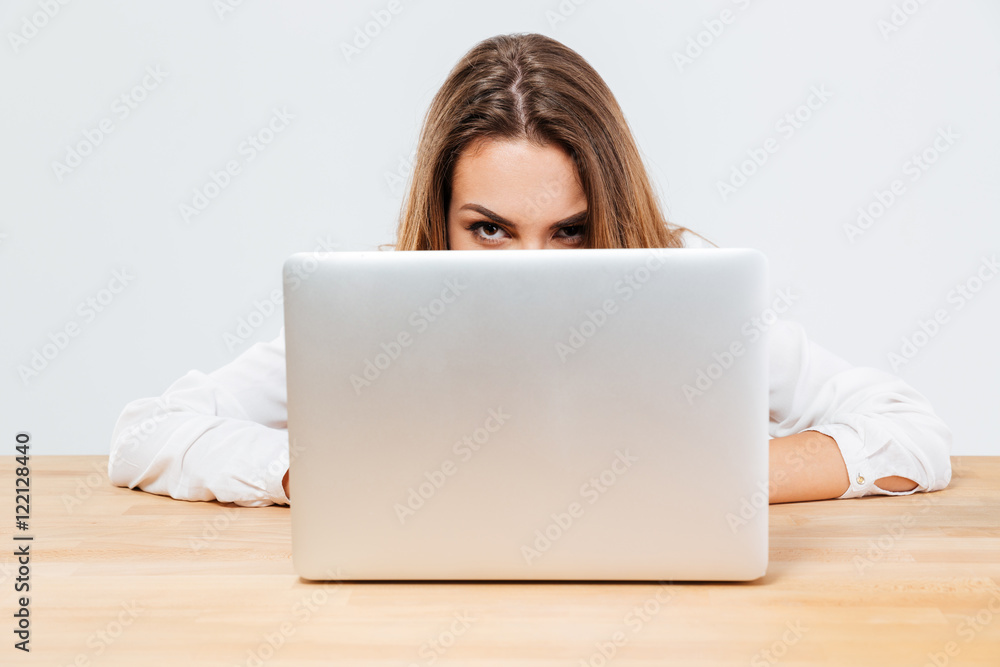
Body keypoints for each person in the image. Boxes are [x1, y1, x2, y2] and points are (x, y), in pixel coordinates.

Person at [108, 33, 951, 508]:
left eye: (571, 232)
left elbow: (911, 431)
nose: (533, 272)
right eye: (491, 230)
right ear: (441, 220)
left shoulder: (681, 292)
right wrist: (313, 472)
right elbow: (146, 432)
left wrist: (705, 474)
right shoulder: (379, 308)